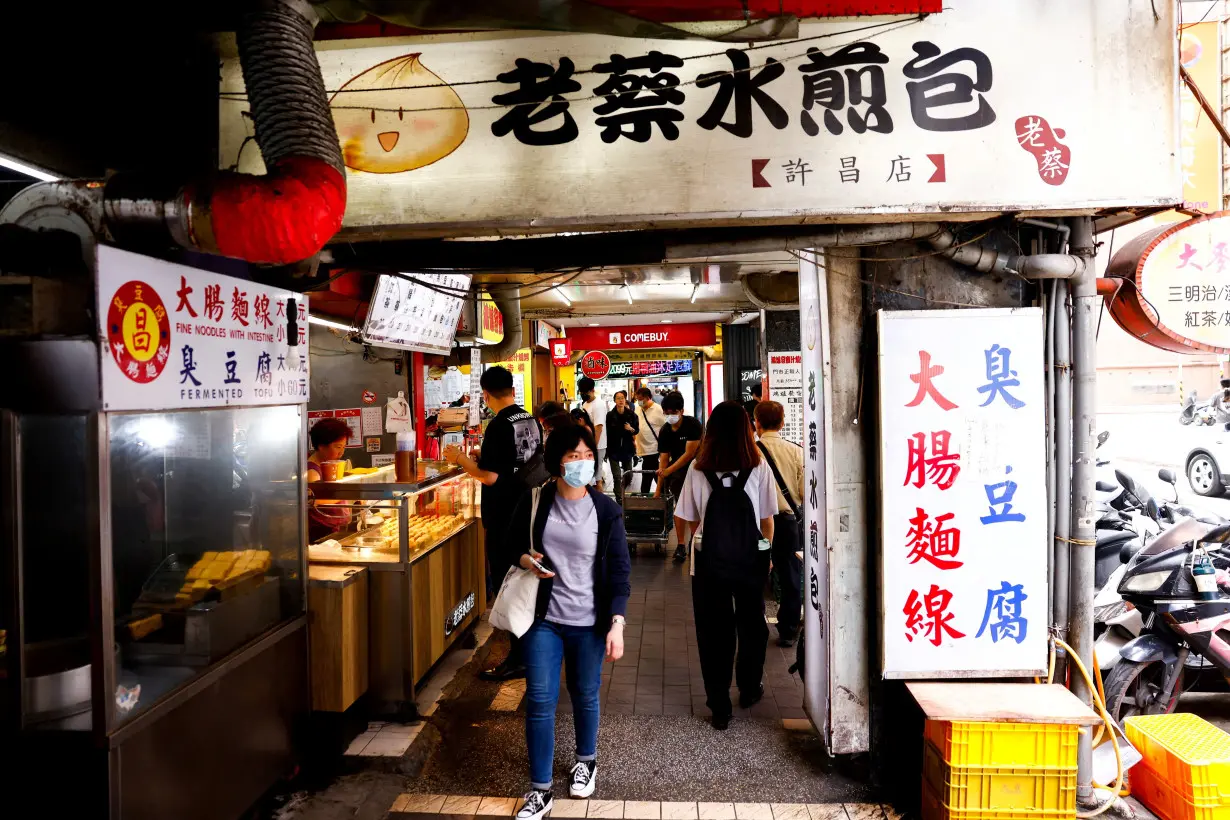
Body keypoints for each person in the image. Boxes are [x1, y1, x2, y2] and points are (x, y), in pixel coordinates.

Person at [508, 423, 631, 820]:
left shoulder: (606, 510)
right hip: (545, 618)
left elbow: (619, 571)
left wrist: (617, 623)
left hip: (590, 622)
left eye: (587, 455)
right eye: (573, 456)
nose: (582, 463)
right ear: (556, 461)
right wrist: (528, 560)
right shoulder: (535, 501)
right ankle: (539, 790)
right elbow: (509, 544)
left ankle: (586, 760)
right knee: (540, 701)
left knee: (585, 693)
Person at [673, 401, 776, 730]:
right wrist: (766, 554)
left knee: (713, 632)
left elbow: (689, 518)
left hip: (708, 563)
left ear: (712, 430)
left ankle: (719, 706)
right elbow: (767, 519)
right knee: (752, 627)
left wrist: (709, 542)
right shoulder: (757, 464)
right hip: (750, 559)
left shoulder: (698, 468)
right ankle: (749, 689)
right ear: (747, 428)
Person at [444, 366, 543, 681]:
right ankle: (530, 653)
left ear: (485, 394)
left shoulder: (499, 426)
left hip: (504, 516)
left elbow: (490, 477)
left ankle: (520, 658)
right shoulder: (529, 419)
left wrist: (460, 460)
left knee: (509, 587)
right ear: (511, 388)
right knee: (523, 584)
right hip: (528, 510)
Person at [753, 401, 805, 647]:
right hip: (787, 522)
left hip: (758, 523)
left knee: (756, 571)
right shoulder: (796, 451)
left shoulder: (751, 452)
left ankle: (754, 625)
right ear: (783, 423)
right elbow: (805, 492)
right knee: (790, 575)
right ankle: (788, 629)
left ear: (757, 423)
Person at [655, 390, 703, 563]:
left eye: (673, 412)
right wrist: (658, 489)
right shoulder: (665, 431)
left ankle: (696, 541)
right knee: (680, 507)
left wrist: (669, 470)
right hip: (678, 473)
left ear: (681, 411)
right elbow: (663, 460)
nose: (670, 416)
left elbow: (689, 454)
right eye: (666, 413)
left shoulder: (693, 425)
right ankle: (681, 545)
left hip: (699, 469)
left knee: (696, 508)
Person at [306, 418, 354, 543]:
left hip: (334, 529)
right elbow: (315, 498)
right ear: (321, 446)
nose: (341, 452)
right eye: (338, 447)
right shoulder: (312, 470)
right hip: (321, 532)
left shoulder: (330, 466)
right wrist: (349, 492)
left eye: (344, 447)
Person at [605, 390, 639, 505]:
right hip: (613, 449)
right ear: (614, 400)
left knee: (628, 474)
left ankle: (623, 490)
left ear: (625, 400)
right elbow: (606, 433)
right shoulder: (610, 415)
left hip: (627, 449)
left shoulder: (631, 414)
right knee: (616, 476)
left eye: (622, 398)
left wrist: (631, 429)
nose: (620, 400)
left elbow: (637, 430)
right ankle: (619, 497)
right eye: (618, 398)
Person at [579, 378, 610, 491]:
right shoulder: (585, 404)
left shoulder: (599, 405)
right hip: (588, 444)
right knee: (590, 477)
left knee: (597, 478)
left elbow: (599, 427)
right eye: (581, 392)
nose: (583, 394)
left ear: (592, 390)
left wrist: (593, 446)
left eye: (585, 392)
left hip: (598, 445)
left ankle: (600, 504)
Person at [633, 387, 665, 494]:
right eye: (637, 399)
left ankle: (646, 496)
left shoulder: (658, 409)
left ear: (648, 398)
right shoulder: (638, 409)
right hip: (642, 448)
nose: (639, 402)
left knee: (647, 473)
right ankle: (663, 494)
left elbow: (665, 428)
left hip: (654, 448)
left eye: (641, 399)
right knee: (653, 472)